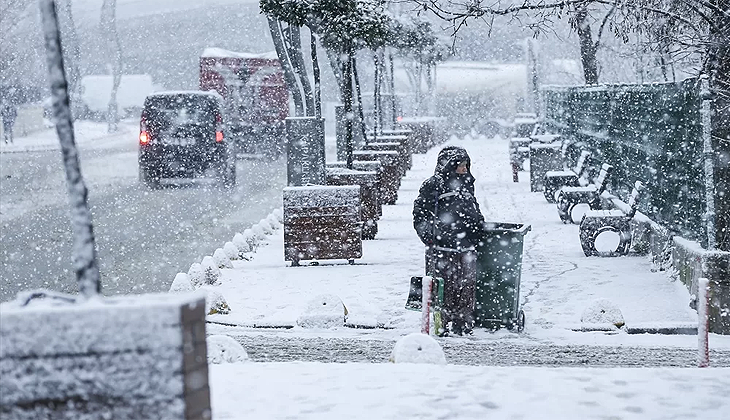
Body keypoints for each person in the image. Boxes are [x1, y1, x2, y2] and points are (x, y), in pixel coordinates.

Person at [413, 146, 487, 336]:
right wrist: (429, 236)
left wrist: (478, 226)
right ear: (449, 166)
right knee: (446, 285)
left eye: (465, 165)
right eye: (460, 165)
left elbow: (472, 207)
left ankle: (463, 321)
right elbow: (420, 213)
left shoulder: (468, 183)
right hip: (442, 246)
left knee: (467, 285)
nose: (464, 169)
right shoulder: (434, 185)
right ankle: (444, 320)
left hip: (467, 245)